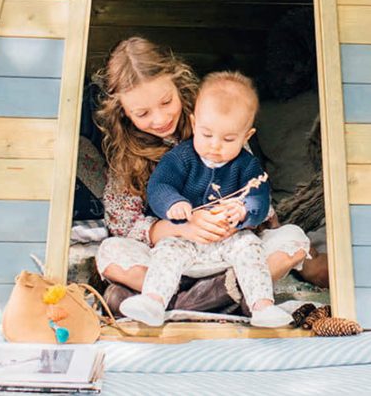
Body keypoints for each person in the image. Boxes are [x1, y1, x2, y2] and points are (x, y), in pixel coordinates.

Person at [93, 37, 325, 317]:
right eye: (142, 113)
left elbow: (256, 194)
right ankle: (221, 296)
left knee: (292, 242)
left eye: (166, 102)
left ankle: (184, 303)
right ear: (124, 113)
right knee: (109, 253)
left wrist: (236, 216)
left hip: (229, 252)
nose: (159, 118)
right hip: (169, 255)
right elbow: (123, 226)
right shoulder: (126, 156)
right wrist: (181, 226)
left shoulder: (216, 120)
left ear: (178, 84)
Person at [120, 71, 294, 328]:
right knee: (166, 251)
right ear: (194, 122)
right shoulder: (180, 158)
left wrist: (244, 211)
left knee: (251, 247)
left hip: (229, 240)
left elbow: (260, 198)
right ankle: (153, 301)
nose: (215, 146)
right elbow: (160, 186)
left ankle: (262, 306)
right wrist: (173, 204)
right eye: (207, 134)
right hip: (186, 239)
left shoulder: (247, 165)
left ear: (246, 136)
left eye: (228, 139)